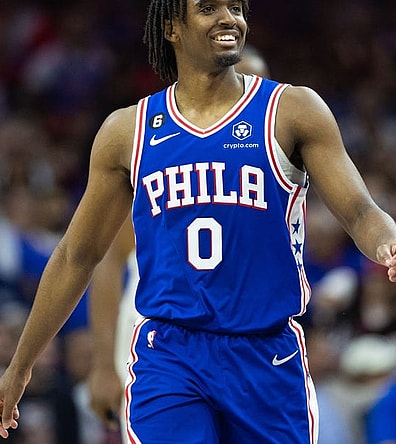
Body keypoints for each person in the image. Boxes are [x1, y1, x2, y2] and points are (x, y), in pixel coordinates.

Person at [0, 1, 396, 442]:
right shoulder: (127, 132)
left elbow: (360, 210)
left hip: (265, 353)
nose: (229, 18)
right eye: (209, 8)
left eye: (236, 7)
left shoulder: (293, 111)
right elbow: (78, 255)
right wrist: (19, 369)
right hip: (171, 354)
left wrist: (389, 243)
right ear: (172, 26)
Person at [86, 42, 275, 437]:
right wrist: (103, 363)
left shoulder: (275, 162)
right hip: (161, 335)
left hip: (242, 341)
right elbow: (105, 259)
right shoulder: (160, 152)